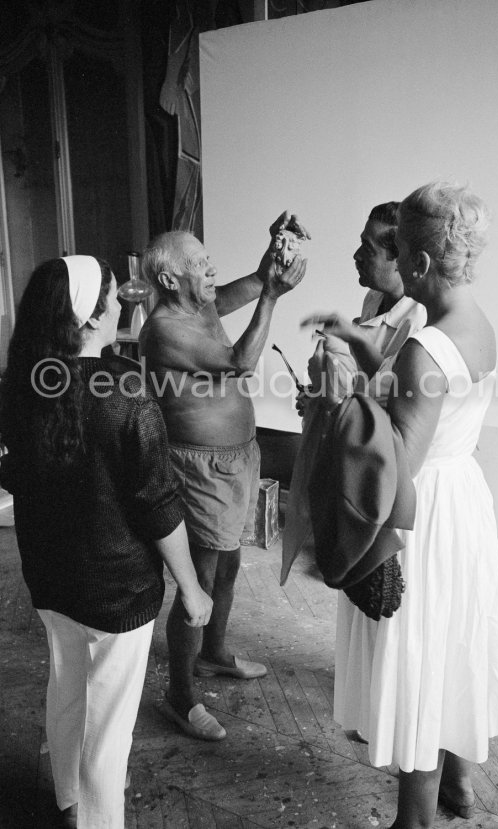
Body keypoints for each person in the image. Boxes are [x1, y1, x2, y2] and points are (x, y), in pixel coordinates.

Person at [302, 182, 498, 828]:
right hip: (462, 498)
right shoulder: (475, 323)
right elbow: (427, 392)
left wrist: (338, 403)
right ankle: (454, 784)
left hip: (422, 513)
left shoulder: (424, 345)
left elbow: (396, 457)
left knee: (418, 664)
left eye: (403, 254)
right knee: (445, 651)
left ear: (418, 265)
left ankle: (411, 821)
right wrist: (365, 347)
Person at [0, 256, 212, 829]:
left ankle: (67, 800)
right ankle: (97, 819)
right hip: (116, 593)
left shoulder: (23, 382)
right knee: (109, 731)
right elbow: (157, 504)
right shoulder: (124, 392)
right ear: (93, 316)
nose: (123, 293)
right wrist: (192, 587)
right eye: (114, 293)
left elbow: (14, 474)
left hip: (49, 578)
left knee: (67, 686)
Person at [139, 218, 307, 741]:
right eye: (198, 264)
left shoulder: (199, 302)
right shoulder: (165, 328)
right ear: (170, 281)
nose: (210, 269)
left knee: (228, 566)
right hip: (200, 468)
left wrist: (271, 256)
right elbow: (240, 362)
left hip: (237, 458)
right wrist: (274, 299)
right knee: (202, 581)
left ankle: (212, 654)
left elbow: (254, 281)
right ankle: (180, 697)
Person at [282, 203, 426, 584]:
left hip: (386, 464)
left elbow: (391, 402)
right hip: (361, 443)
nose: (356, 255)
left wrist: (332, 398)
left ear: (400, 260)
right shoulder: (373, 301)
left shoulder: (417, 322)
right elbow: (367, 378)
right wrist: (321, 394)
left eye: (368, 248)